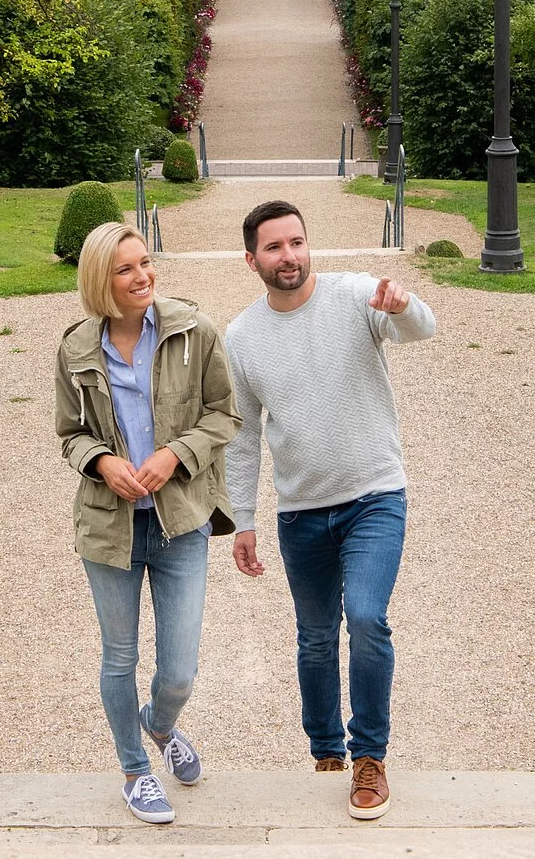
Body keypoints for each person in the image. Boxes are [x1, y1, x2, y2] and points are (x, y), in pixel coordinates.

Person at [225, 199, 437, 820]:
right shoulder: (241, 337)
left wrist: (405, 305)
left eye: (296, 242)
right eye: (273, 247)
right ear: (252, 259)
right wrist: (244, 518)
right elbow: (241, 436)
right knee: (315, 639)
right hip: (301, 513)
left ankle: (369, 756)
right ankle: (325, 752)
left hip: (375, 494)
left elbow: (422, 329)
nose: (288, 256)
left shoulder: (354, 296)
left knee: (367, 619)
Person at [54, 220, 241, 825]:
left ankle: (159, 726)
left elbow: (224, 416)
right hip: (109, 529)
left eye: (145, 263)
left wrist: (174, 456)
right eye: (126, 269)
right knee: (118, 659)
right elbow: (69, 435)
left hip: (180, 521)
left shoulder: (194, 331)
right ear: (100, 282)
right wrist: (104, 462)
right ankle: (135, 770)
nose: (143, 276)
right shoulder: (76, 348)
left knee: (180, 670)